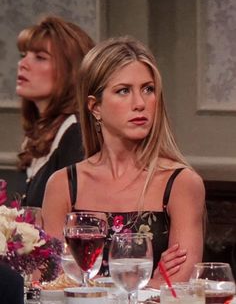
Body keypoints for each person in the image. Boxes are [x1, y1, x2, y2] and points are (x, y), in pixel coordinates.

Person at [42, 36, 205, 287]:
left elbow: (178, 289)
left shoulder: (182, 184)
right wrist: (148, 283)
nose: (140, 104)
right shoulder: (63, 184)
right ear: (95, 107)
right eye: (123, 91)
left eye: (148, 89)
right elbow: (49, 283)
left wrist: (90, 287)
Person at [16, 15, 94, 207]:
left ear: (71, 71)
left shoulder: (76, 134)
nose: (23, 64)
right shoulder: (37, 135)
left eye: (40, 58)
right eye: (23, 55)